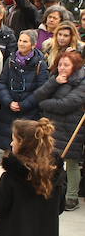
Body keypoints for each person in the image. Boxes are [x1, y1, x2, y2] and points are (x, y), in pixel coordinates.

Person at [31, 50, 85, 210]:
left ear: (75, 66)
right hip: (52, 127)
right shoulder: (55, 78)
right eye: (60, 64)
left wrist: (44, 104)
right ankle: (49, 189)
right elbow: (38, 95)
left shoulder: (81, 81)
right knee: (49, 159)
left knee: (71, 162)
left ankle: (72, 196)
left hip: (71, 127)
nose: (62, 68)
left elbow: (66, 104)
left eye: (66, 65)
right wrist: (54, 82)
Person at [0, 29, 49, 155]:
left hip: (29, 112)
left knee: (26, 149)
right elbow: (2, 82)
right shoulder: (10, 60)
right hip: (9, 111)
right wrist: (9, 102)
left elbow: (41, 90)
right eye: (20, 40)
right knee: (8, 147)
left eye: (25, 41)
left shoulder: (40, 64)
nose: (21, 44)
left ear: (33, 44)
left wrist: (23, 105)